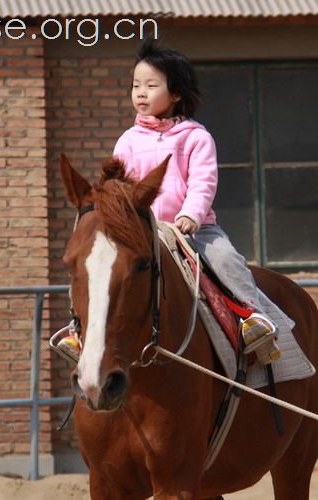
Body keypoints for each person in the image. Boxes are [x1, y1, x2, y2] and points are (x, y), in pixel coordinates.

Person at [55, 39, 281, 363]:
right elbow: (117, 188)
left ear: (175, 93)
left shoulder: (196, 137)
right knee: (92, 262)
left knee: (227, 259)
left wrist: (191, 214)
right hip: (143, 231)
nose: (141, 93)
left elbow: (203, 182)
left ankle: (251, 319)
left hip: (192, 230)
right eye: (136, 86)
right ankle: (78, 330)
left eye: (151, 85)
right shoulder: (128, 140)